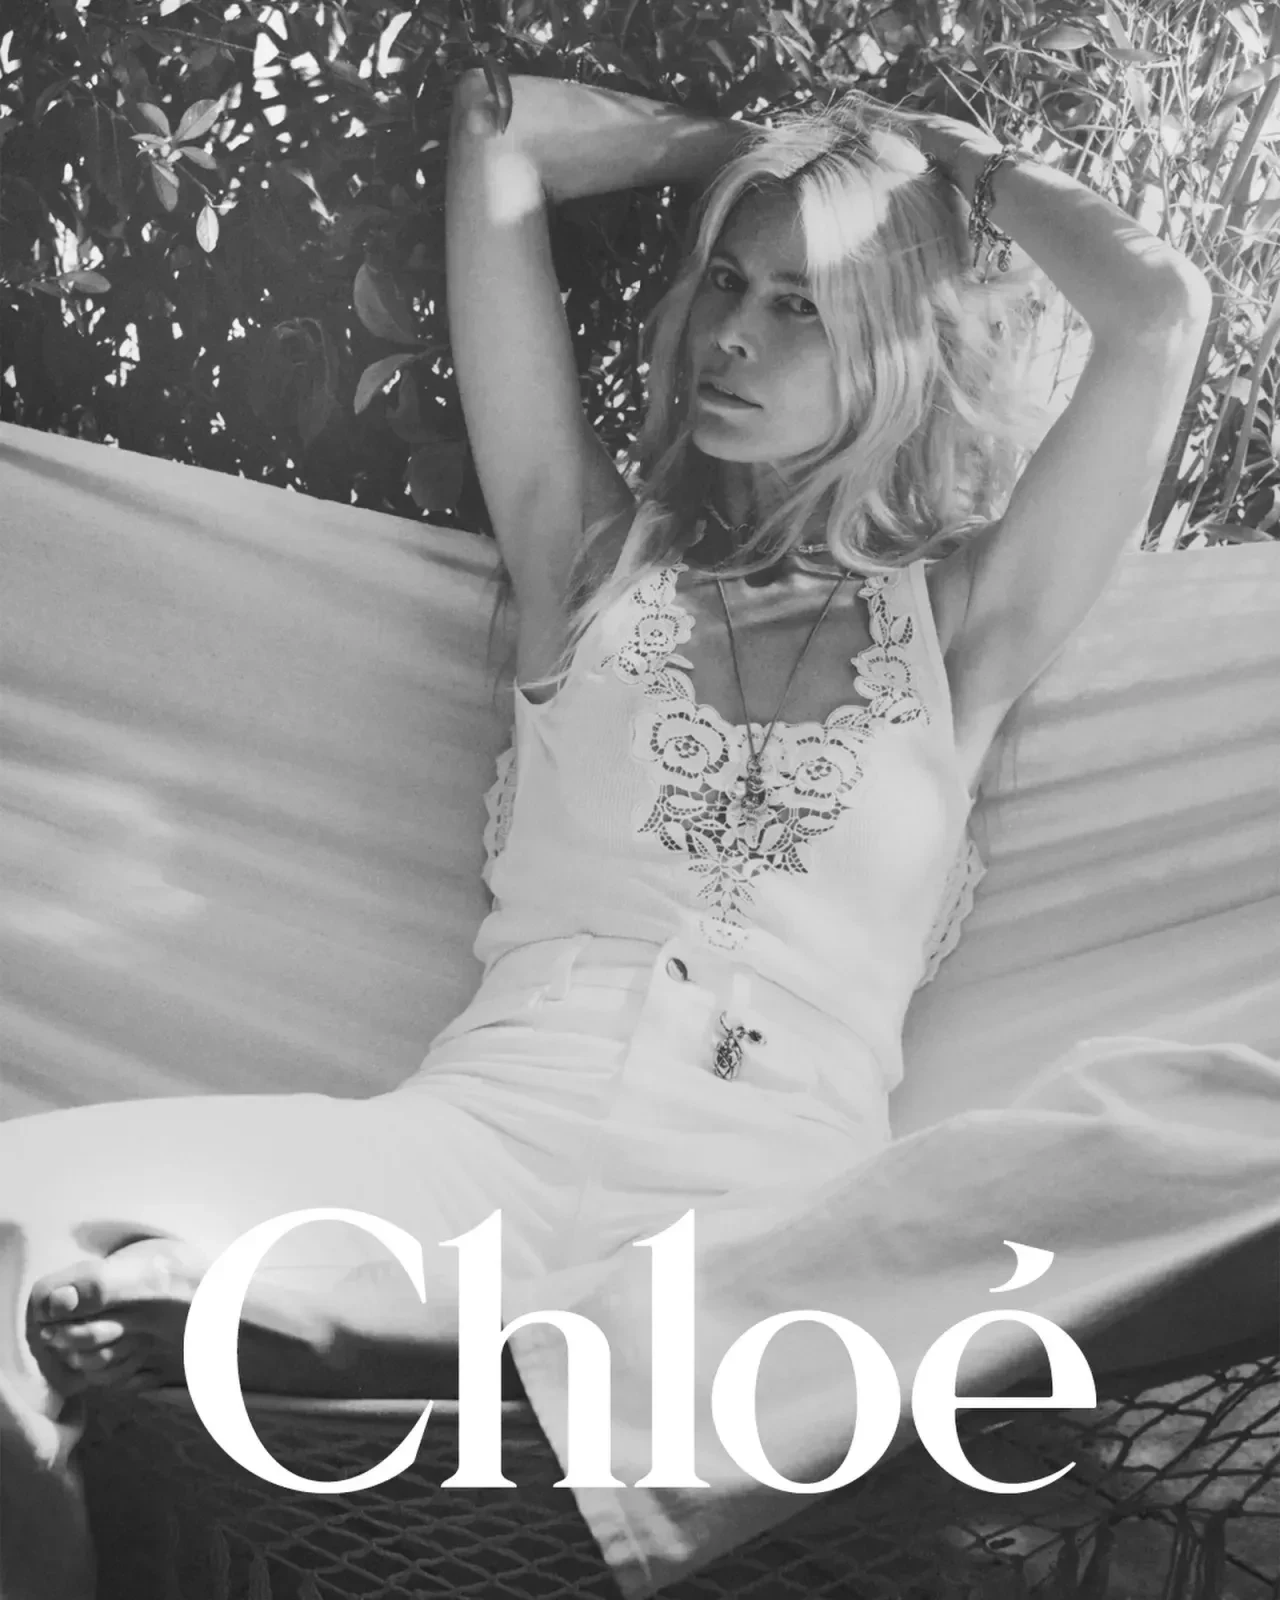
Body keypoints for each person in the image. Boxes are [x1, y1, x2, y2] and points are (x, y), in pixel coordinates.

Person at [3, 66, 1279, 1600]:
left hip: (774, 1224)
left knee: (1208, 1139)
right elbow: (502, 132)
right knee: (13, 1222)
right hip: (480, 1151)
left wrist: (943, 163)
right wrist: (777, 145)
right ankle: (476, 1355)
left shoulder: (963, 630)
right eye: (725, 282)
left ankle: (482, 1356)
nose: (730, 334)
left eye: (803, 306)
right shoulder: (589, 556)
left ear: (899, 345)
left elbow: (1155, 311)